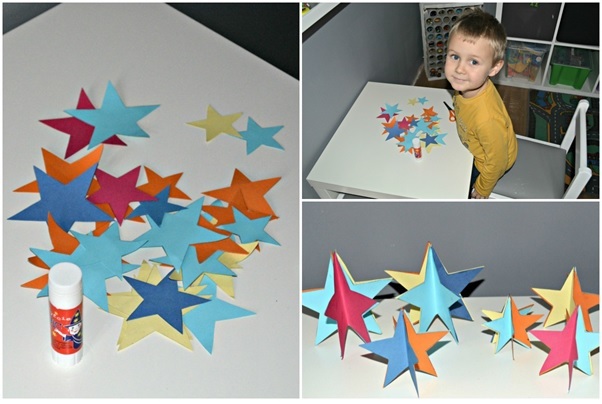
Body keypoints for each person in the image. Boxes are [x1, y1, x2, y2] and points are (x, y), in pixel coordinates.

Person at [444, 8, 517, 199]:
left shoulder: (487, 120)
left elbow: (497, 162)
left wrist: (482, 189)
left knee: (456, 189)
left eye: (474, 62)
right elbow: (462, 101)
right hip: (479, 142)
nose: (459, 69)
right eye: (455, 56)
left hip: (486, 163)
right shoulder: (469, 84)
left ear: (494, 68)